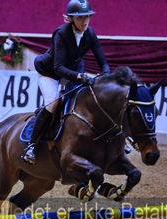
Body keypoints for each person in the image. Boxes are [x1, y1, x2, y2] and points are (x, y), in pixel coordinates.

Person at [22, 0, 110, 164]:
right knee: (53, 103)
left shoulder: (90, 33)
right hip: (50, 72)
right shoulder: (61, 33)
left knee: (86, 98)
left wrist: (106, 73)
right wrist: (80, 77)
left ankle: (107, 139)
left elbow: (102, 60)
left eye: (87, 17)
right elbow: (58, 67)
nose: (84, 21)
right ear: (70, 18)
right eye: (79, 18)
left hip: (74, 70)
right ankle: (31, 146)